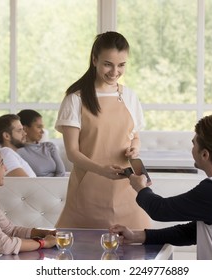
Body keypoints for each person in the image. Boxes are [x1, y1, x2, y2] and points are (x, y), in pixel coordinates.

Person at [110, 115, 212, 260]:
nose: (191, 149)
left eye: (194, 144)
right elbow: (192, 232)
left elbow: (160, 210)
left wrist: (141, 188)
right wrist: (138, 236)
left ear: (205, 154)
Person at [54, 31, 150, 229]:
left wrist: (134, 148)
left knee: (138, 254)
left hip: (127, 188)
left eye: (121, 65)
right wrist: (101, 170)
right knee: (83, 253)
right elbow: (72, 153)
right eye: (108, 64)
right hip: (88, 191)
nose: (115, 72)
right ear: (95, 59)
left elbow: (135, 136)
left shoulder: (130, 96)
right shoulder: (75, 99)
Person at [17, 109, 66, 177]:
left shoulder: (49, 146)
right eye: (39, 127)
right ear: (25, 129)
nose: (42, 132)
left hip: (57, 185)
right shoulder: (18, 151)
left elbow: (61, 173)